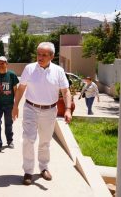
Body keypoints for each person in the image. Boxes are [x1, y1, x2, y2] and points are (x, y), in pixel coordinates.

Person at [12, 42, 72, 186]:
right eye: (39, 54)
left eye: (44, 55)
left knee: (45, 142)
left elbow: (65, 91)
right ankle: (28, 171)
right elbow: (21, 88)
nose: (40, 57)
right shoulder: (29, 69)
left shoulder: (58, 71)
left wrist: (68, 109)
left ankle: (43, 168)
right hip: (30, 108)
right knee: (28, 139)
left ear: (52, 56)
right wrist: (15, 106)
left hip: (50, 111)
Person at [0, 56, 19, 153]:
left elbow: (15, 90)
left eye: (2, 63)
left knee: (8, 124)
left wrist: (15, 105)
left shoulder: (12, 75)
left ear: (6, 63)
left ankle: (9, 140)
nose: (0, 65)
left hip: (9, 104)